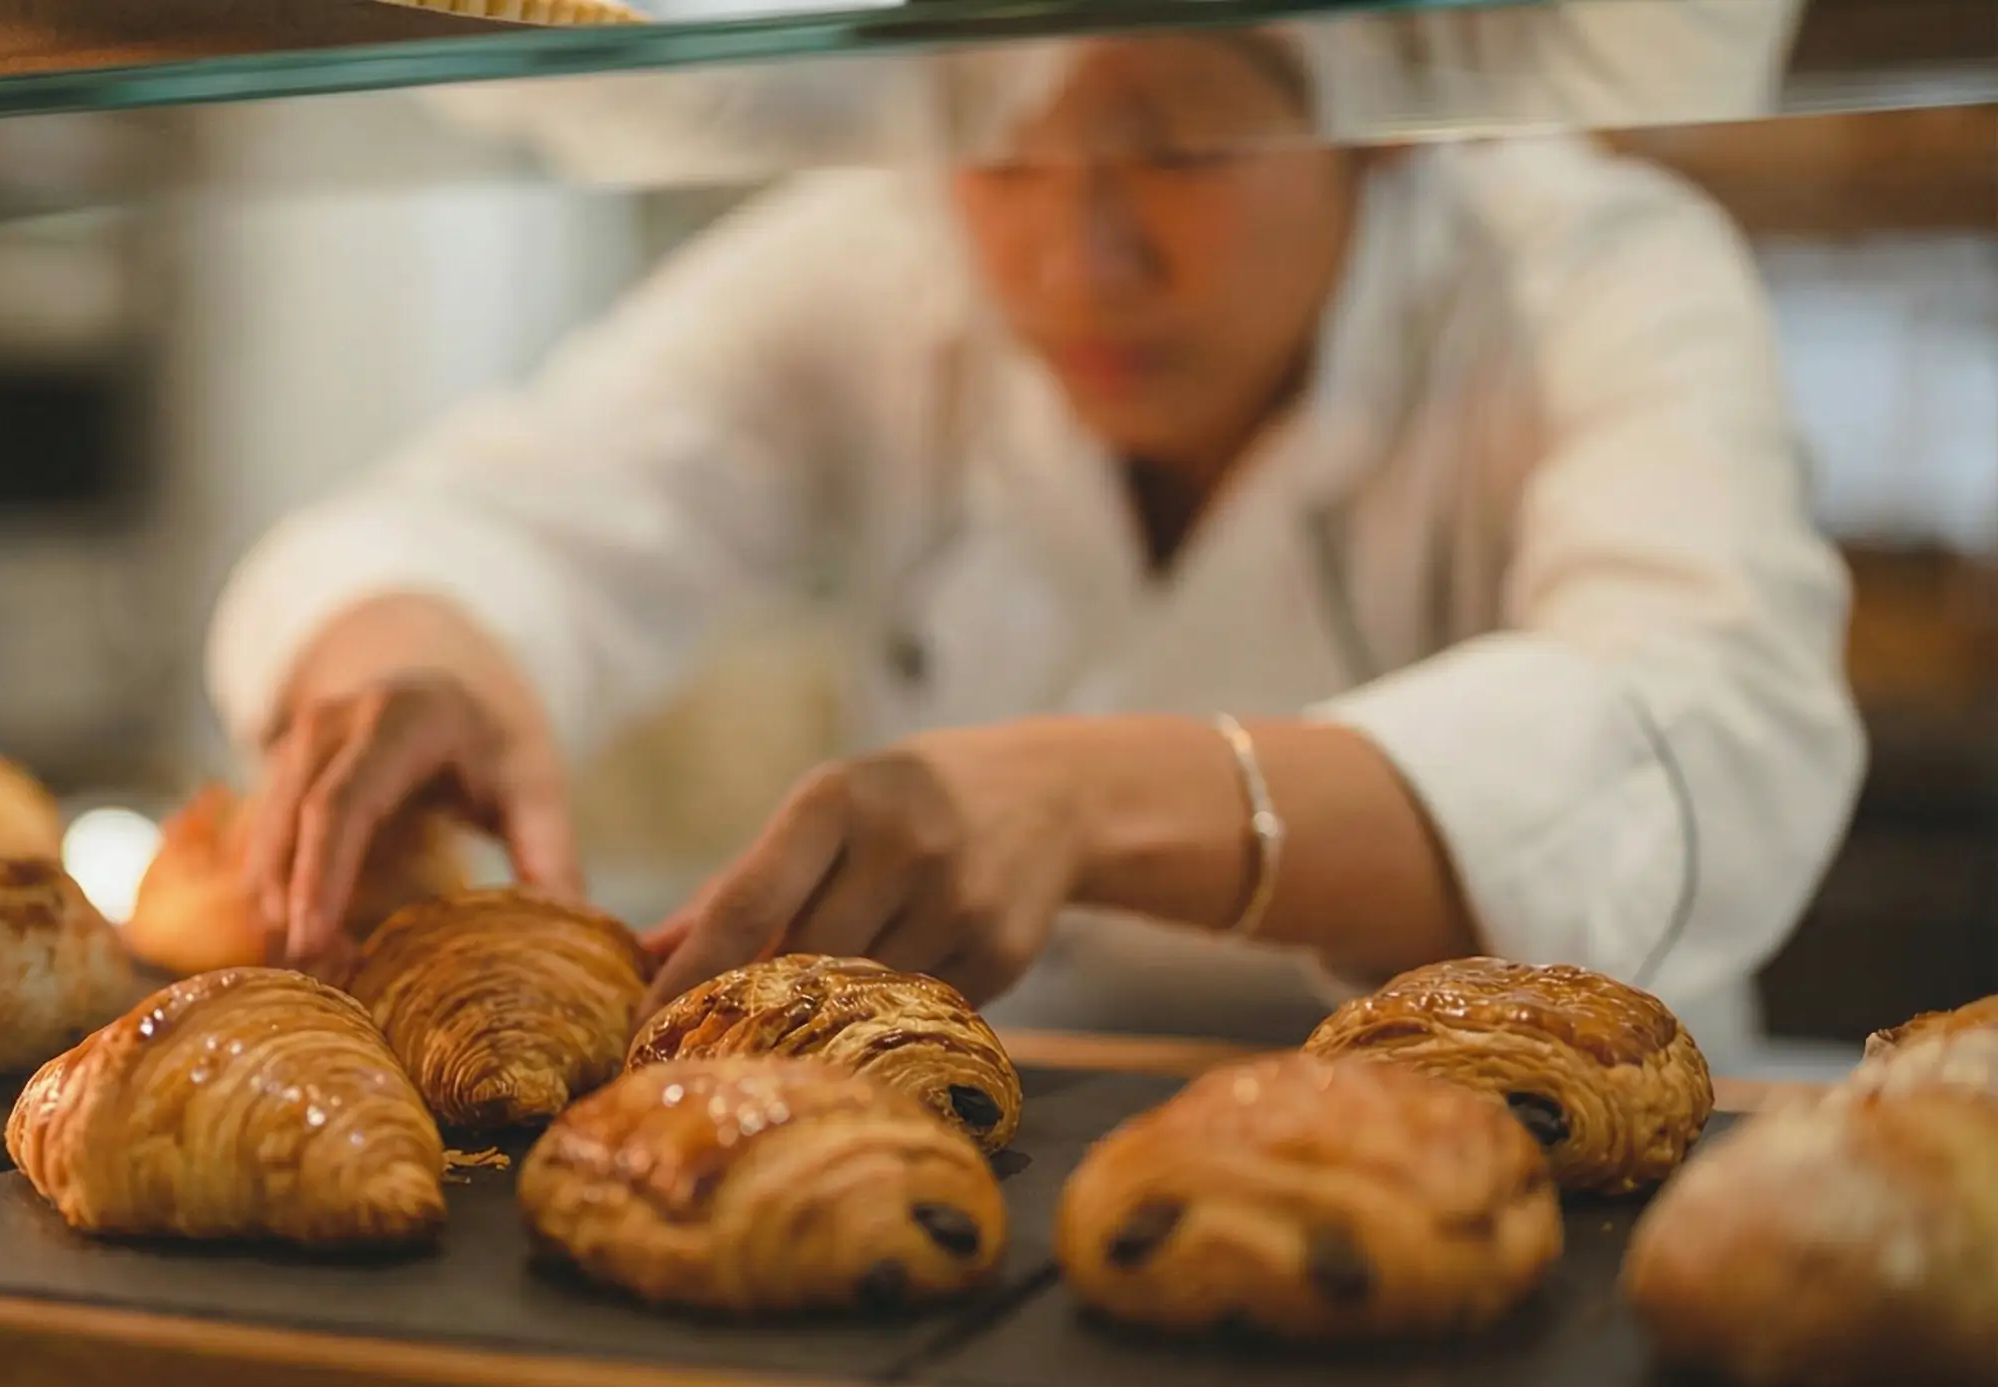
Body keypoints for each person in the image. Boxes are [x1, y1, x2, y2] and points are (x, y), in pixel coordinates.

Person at [203, 28, 1864, 1057]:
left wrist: (1083, 800)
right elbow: (495, 518)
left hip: (1551, 1187)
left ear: (1389, 113)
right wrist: (411, 656)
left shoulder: (1586, 272)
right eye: (998, 152)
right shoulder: (878, 261)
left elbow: (1715, 729)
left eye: (1181, 149)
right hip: (988, 1175)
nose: (1083, 257)